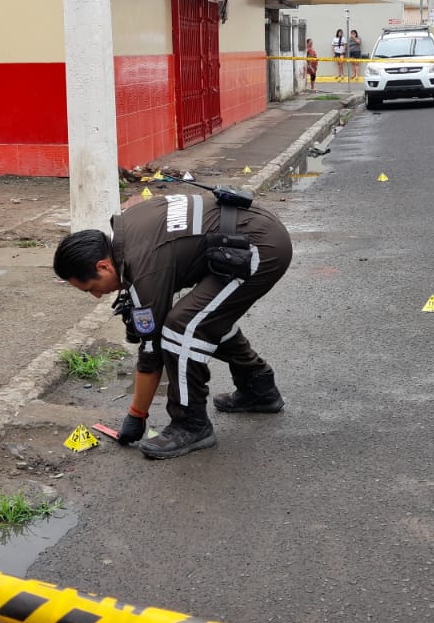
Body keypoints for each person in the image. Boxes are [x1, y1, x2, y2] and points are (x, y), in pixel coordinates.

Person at [53, 193, 294, 459]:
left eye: (91, 288)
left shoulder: (143, 266)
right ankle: (258, 388)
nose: (97, 296)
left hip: (260, 247)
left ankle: (191, 424)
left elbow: (151, 351)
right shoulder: (130, 227)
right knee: (201, 318)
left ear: (103, 265)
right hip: (245, 235)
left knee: (181, 328)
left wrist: (137, 415)